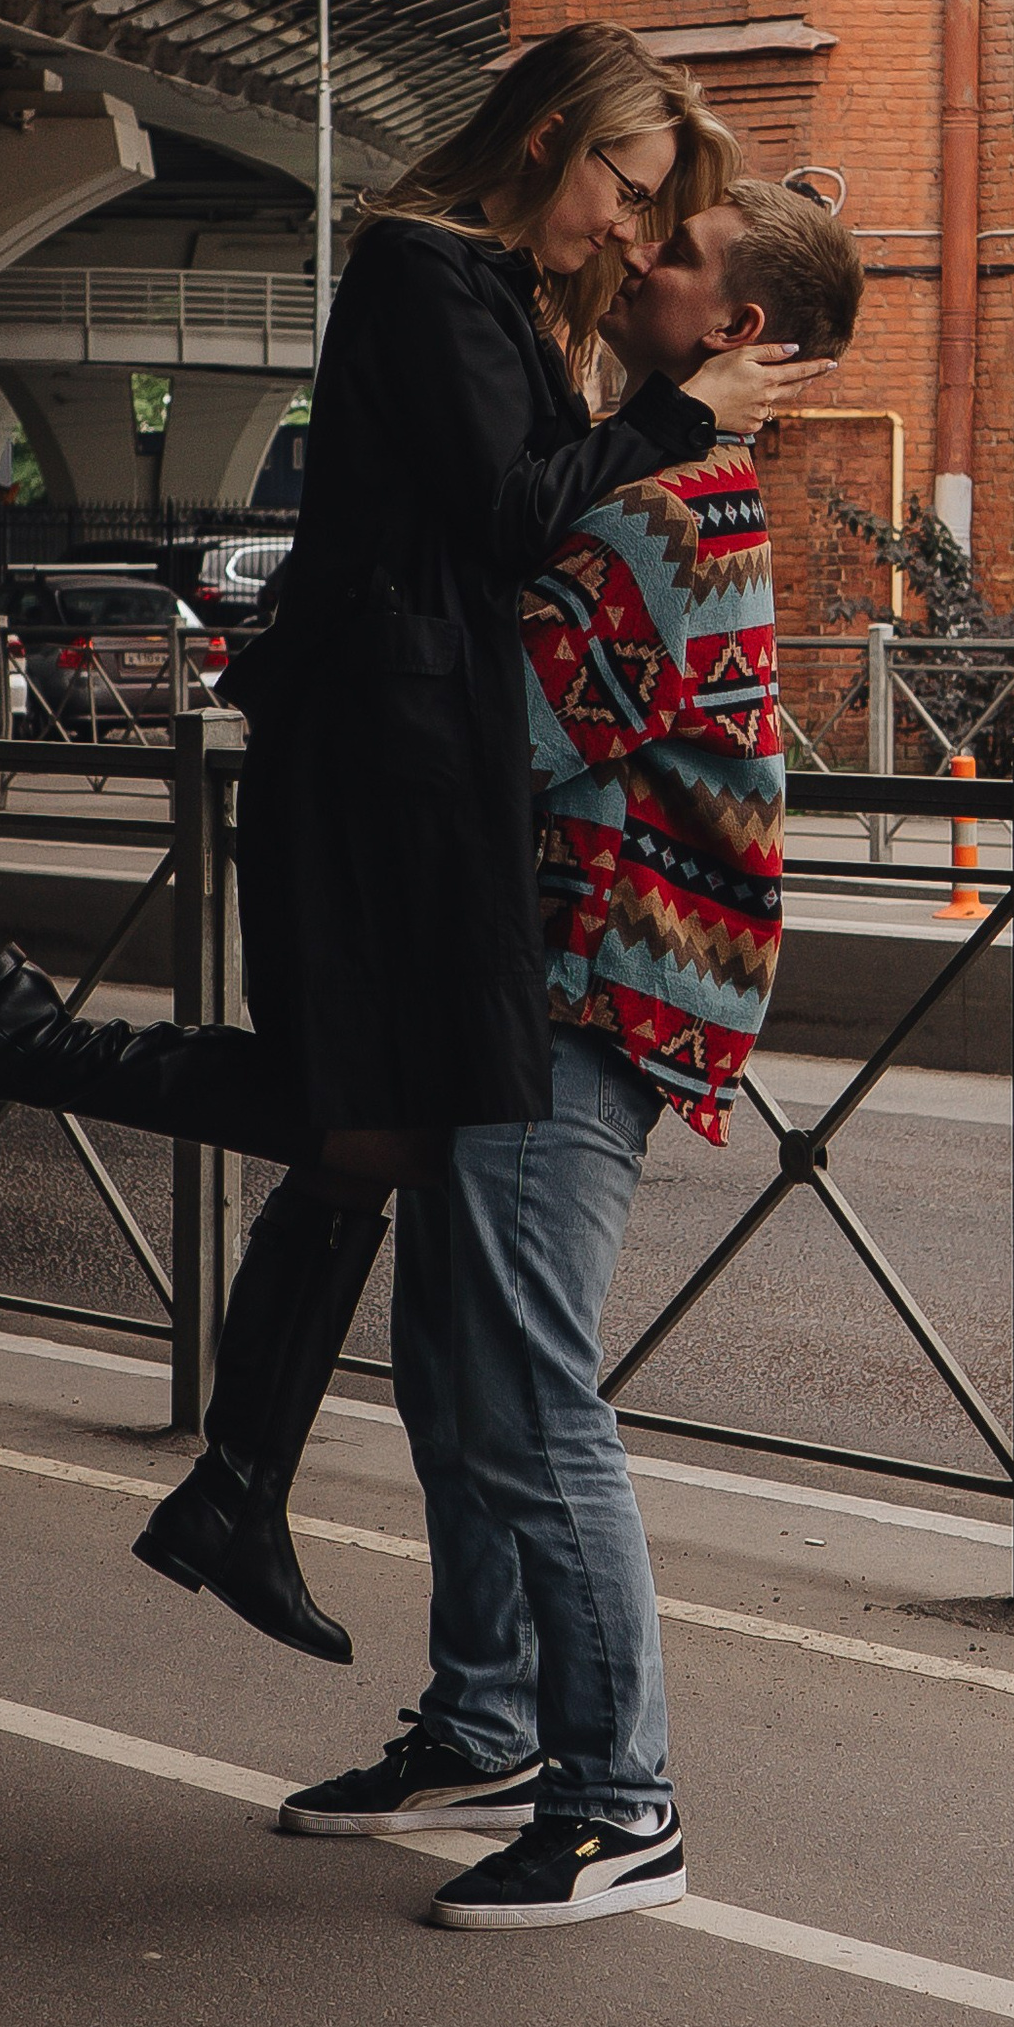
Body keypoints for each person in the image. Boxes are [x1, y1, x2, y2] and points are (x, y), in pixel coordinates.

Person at [0, 27, 826, 1661]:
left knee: (376, 1134)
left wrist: (656, 401)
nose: (627, 232)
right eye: (623, 191)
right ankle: (36, 1063)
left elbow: (514, 522)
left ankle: (236, 1488)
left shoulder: (495, 292)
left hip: (415, 758)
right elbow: (515, 516)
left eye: (659, 217)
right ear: (547, 139)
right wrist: (673, 407)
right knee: (360, 1117)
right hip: (383, 758)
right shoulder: (426, 274)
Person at [279, 179, 865, 1928]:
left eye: (674, 255)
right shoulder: (642, 476)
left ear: (737, 328)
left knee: (533, 1399)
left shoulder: (670, 513)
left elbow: (497, 737)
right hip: (526, 982)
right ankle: (487, 1725)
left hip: (585, 997)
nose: (637, 257)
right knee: (461, 1381)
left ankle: (625, 1808)